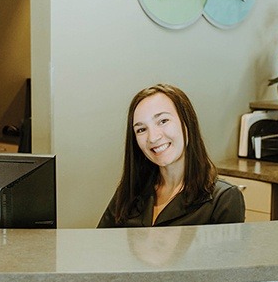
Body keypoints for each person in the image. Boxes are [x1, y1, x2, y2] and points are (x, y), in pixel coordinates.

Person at [98, 84, 245, 228]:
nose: (153, 137)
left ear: (187, 123)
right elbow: (98, 248)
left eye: (163, 121)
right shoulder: (130, 192)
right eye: (141, 129)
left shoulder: (224, 199)